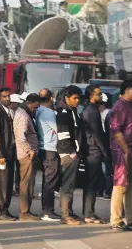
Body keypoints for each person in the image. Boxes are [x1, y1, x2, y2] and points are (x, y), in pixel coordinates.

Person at [56, 85, 86, 225]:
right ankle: (65, 215)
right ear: (67, 98)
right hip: (68, 154)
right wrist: (71, 153)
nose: (77, 101)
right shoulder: (63, 113)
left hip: (74, 153)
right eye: (75, 98)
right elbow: (63, 136)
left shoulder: (72, 111)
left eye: (79, 98)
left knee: (71, 185)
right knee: (67, 185)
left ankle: (70, 212)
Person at [81, 85, 109, 224]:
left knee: (90, 183)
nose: (100, 96)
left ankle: (88, 213)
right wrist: (105, 152)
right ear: (92, 95)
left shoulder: (90, 109)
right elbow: (97, 134)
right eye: (98, 94)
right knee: (92, 184)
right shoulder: (92, 111)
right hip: (93, 151)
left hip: (91, 150)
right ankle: (89, 214)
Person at [0, 88, 17, 221]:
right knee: (1, 182)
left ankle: (5, 209)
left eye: (8, 96)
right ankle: (0, 210)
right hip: (2, 153)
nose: (7, 99)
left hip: (10, 152)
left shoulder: (8, 111)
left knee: (8, 182)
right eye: (4, 96)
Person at [108, 80, 132, 231]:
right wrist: (126, 151)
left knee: (129, 186)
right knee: (120, 185)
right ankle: (116, 220)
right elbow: (117, 132)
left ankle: (129, 219)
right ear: (129, 90)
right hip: (121, 150)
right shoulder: (120, 106)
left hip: (129, 149)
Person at [13, 93, 41, 221]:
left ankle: (26, 211)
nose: (35, 110)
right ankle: (24, 212)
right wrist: (29, 150)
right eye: (35, 107)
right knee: (26, 184)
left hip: (26, 153)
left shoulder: (22, 113)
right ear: (29, 103)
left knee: (28, 183)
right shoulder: (24, 115)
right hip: (26, 155)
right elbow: (21, 136)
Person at [36, 89, 61, 222]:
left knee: (47, 180)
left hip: (42, 147)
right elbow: (58, 130)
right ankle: (48, 211)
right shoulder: (49, 112)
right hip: (50, 148)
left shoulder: (38, 110)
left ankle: (46, 210)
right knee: (50, 181)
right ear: (51, 98)